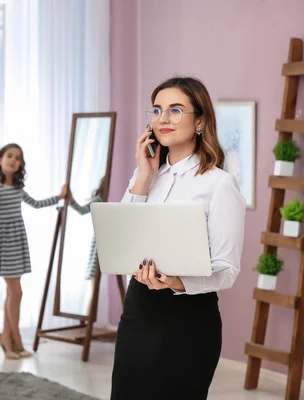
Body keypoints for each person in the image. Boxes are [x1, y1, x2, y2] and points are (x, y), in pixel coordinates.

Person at [110, 76, 246, 400]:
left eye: (175, 110)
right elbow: (123, 237)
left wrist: (176, 281)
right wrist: (143, 174)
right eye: (157, 111)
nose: (163, 119)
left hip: (187, 323)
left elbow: (227, 269)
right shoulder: (146, 174)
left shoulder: (219, 184)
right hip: (138, 313)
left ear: (200, 121)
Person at [0, 143, 67, 359]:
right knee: (16, 292)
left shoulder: (17, 189)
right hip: (3, 245)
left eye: (18, 158)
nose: (13, 160)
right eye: (9, 156)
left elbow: (37, 204)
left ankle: (5, 337)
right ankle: (16, 340)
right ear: (0, 159)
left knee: (12, 293)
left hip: (17, 241)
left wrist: (58, 197)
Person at [68, 175, 107, 280]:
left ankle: (93, 295)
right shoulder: (100, 200)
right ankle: (93, 296)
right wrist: (71, 200)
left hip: (109, 238)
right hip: (100, 239)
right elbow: (82, 210)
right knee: (94, 272)